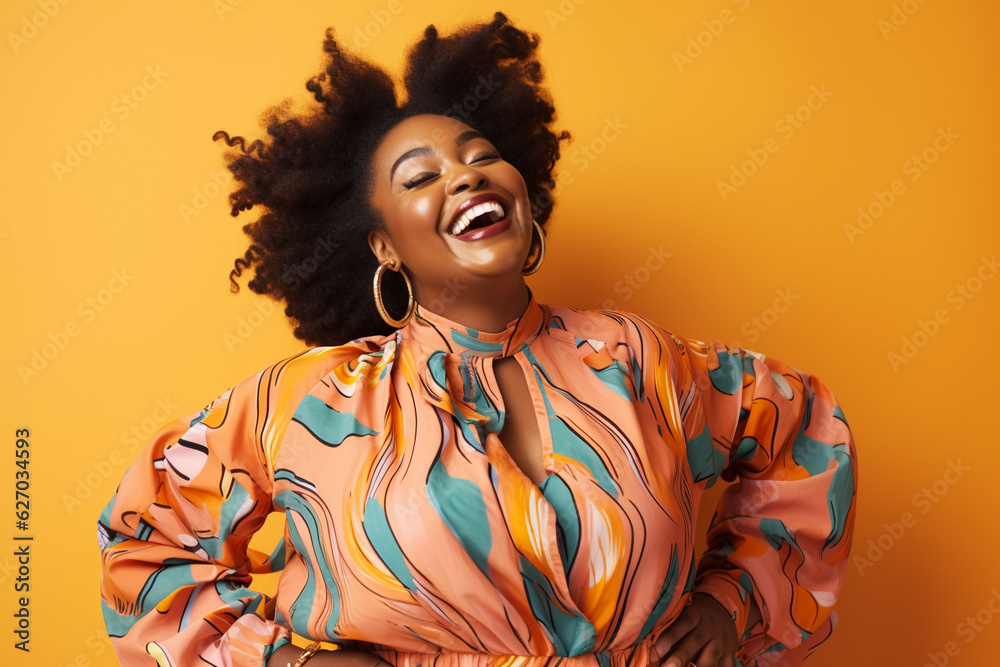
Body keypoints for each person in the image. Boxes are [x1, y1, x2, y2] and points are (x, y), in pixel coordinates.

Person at [97, 12, 857, 667]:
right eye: (419, 177)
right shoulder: (309, 404)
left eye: (481, 156)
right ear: (383, 245)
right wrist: (288, 660)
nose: (466, 177)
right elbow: (143, 545)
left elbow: (806, 431)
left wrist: (732, 602)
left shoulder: (639, 360)